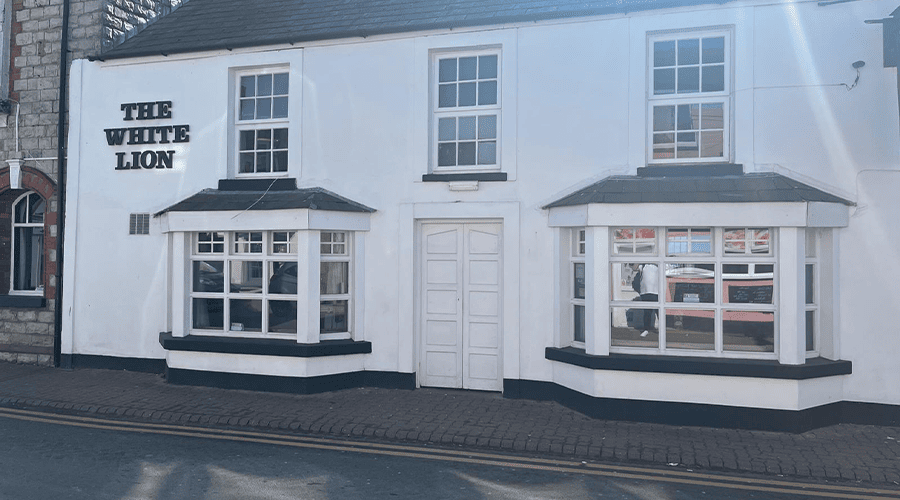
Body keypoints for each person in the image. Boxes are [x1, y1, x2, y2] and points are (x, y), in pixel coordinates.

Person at [638, 263, 659, 337]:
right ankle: (646, 329)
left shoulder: (658, 265)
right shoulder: (642, 266)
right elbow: (635, 267)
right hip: (645, 291)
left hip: (656, 291)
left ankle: (662, 328)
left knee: (659, 311)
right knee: (647, 312)